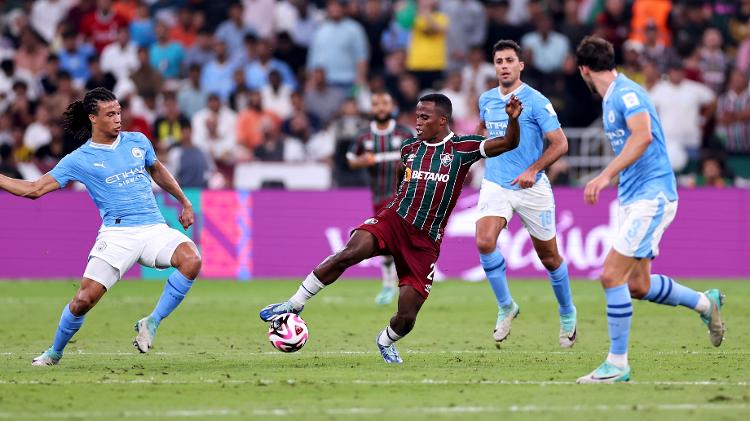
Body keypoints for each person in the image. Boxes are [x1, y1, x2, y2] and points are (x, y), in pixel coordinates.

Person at [259, 93, 523, 363]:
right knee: (349, 252)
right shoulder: (410, 147)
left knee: (407, 317)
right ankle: (294, 304)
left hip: (424, 240)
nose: (417, 122)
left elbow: (509, 142)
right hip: (394, 219)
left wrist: (513, 119)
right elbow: (401, 173)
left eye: (424, 117)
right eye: (417, 116)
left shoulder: (462, 147)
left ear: (442, 120)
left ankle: (385, 341)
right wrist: (397, 203)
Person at [0, 88, 201, 366]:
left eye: (119, 112)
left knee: (192, 260)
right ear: (93, 117)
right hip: (117, 234)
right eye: (110, 114)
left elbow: (157, 170)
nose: (118, 119)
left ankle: (151, 322)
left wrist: (184, 202)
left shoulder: (137, 141)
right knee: (84, 299)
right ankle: (54, 352)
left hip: (153, 227)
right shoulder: (79, 158)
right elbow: (34, 189)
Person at [575, 36, 725, 384]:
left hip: (652, 196)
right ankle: (706, 303)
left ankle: (617, 364)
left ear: (584, 70)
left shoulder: (627, 93)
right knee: (637, 286)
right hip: (634, 197)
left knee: (611, 275)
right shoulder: (615, 95)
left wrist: (604, 176)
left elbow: (641, 137)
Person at [475, 40, 576, 348]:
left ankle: (567, 311)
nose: (504, 65)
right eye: (499, 61)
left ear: (521, 65)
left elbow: (560, 143)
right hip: (495, 183)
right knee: (484, 240)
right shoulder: (486, 99)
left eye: (509, 60)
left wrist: (533, 169)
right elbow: (485, 132)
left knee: (549, 257)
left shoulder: (537, 100)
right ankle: (506, 306)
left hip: (531, 187)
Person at [347, 91, 415, 305]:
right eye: (376, 104)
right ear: (372, 108)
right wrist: (362, 161)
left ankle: (418, 274)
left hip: (405, 195)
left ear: (392, 105)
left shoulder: (405, 132)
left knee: (409, 237)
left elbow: (420, 154)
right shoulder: (363, 135)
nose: (381, 107)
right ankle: (388, 284)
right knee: (386, 241)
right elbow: (350, 160)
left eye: (385, 102)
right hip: (379, 196)